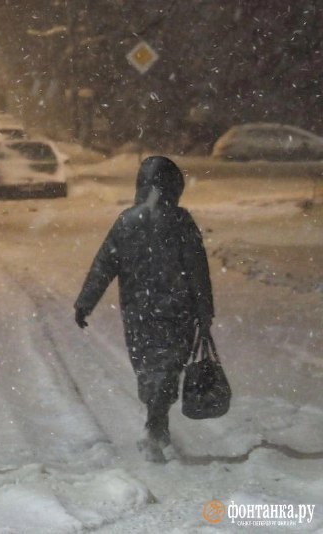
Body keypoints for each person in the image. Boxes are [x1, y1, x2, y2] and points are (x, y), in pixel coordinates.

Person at [73, 156, 214, 463]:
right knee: (169, 365)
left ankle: (155, 416)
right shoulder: (182, 222)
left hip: (139, 311)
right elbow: (197, 271)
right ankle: (157, 418)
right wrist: (204, 312)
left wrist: (86, 302)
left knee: (148, 365)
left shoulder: (126, 222)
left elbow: (103, 266)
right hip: (178, 310)